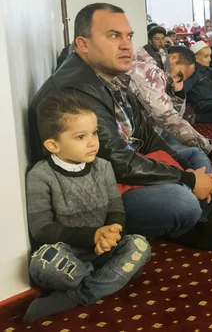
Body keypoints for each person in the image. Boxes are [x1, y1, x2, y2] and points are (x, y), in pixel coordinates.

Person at [29, 3, 212, 251]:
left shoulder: (109, 76)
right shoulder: (76, 91)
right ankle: (191, 217)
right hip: (102, 192)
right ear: (83, 44)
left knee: (195, 156)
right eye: (113, 36)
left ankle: (194, 218)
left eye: (129, 36)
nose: (126, 45)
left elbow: (146, 135)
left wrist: (188, 170)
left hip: (130, 165)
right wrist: (188, 179)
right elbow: (119, 163)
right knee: (182, 202)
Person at [24, 93, 151, 323]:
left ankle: (76, 295)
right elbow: (41, 229)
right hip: (68, 255)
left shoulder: (103, 167)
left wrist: (113, 230)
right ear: (53, 144)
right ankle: (113, 277)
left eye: (94, 133)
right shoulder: (40, 175)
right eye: (81, 136)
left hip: (103, 251)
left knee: (140, 245)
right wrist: (92, 235)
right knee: (43, 262)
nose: (93, 142)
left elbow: (116, 210)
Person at [129, 44, 212, 166]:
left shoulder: (161, 69)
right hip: (142, 140)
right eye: (179, 75)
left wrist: (179, 93)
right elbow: (168, 118)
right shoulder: (147, 70)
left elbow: (175, 115)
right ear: (174, 57)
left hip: (155, 131)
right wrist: (210, 150)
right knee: (198, 158)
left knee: (196, 154)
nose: (177, 80)